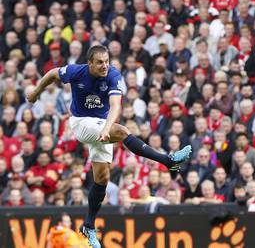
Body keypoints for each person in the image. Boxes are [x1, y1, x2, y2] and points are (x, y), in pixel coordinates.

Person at [26, 45, 192, 248]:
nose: (105, 65)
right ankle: (169, 160)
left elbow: (115, 106)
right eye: (99, 62)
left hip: (102, 125)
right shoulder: (76, 71)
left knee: (102, 178)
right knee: (122, 132)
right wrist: (36, 92)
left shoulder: (113, 75)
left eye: (106, 61)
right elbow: (53, 73)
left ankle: (88, 225)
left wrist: (106, 127)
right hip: (80, 123)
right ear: (90, 64)